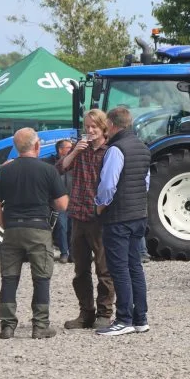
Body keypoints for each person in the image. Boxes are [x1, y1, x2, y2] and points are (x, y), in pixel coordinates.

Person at [0, 128, 69, 339]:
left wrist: (6, 225)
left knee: (9, 277)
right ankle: (40, 325)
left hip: (13, 229)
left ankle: (7, 325)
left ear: (16, 147)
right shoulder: (48, 170)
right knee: (41, 278)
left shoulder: (5, 171)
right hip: (39, 229)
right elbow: (62, 205)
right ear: (36, 146)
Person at [95, 106, 151, 336]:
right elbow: (145, 182)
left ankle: (124, 319)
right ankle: (141, 318)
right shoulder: (143, 148)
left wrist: (100, 204)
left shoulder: (116, 149)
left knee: (119, 269)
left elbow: (109, 184)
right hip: (139, 214)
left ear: (113, 124)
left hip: (119, 217)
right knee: (135, 267)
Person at [58, 110, 115, 330]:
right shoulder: (79, 150)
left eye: (94, 127)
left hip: (99, 218)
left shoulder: (110, 151)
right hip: (78, 216)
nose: (90, 131)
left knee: (104, 269)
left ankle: (104, 313)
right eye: (87, 127)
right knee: (80, 270)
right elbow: (60, 168)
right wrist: (73, 153)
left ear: (103, 128)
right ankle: (85, 313)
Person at [53, 139, 74, 263]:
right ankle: (64, 253)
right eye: (68, 147)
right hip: (60, 201)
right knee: (62, 226)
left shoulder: (74, 163)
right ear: (60, 150)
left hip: (73, 200)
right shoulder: (54, 165)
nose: (71, 149)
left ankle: (73, 253)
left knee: (72, 227)